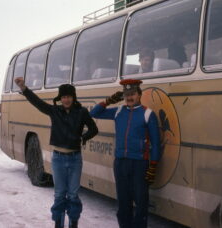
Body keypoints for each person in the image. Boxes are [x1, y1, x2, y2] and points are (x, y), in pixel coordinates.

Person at [14, 77, 98, 228]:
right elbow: (37, 103)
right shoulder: (54, 111)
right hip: (58, 159)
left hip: (75, 159)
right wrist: (24, 88)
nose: (66, 100)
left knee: (73, 195)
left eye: (69, 96)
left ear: (73, 97)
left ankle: (73, 223)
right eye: (63, 97)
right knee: (59, 194)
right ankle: (58, 224)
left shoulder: (82, 112)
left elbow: (94, 129)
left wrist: (83, 137)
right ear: (60, 98)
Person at [90, 79, 160, 228]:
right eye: (126, 94)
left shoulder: (148, 114)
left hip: (139, 164)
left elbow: (156, 143)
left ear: (139, 94)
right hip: (120, 163)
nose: (129, 97)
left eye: (132, 93)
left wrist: (153, 166)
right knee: (123, 202)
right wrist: (108, 101)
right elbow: (94, 113)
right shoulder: (118, 111)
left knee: (141, 202)